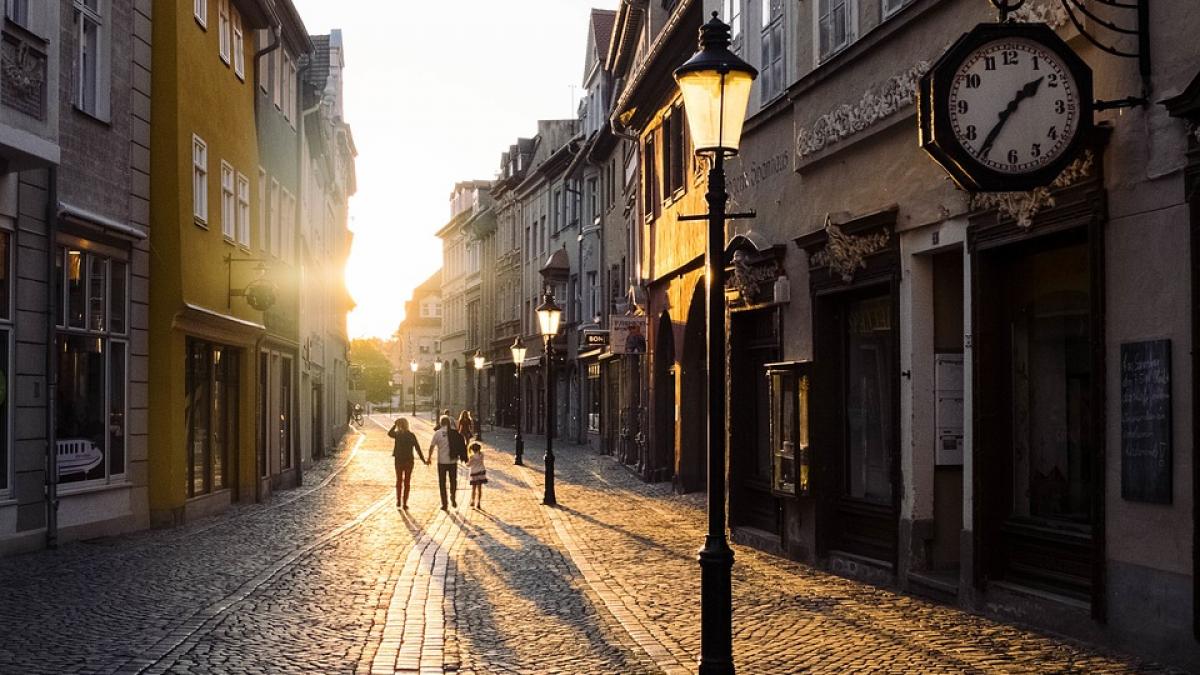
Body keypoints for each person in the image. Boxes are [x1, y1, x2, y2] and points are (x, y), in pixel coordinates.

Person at [388, 418, 427, 510]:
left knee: (398, 480)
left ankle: (398, 500)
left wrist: (394, 425)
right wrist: (423, 460)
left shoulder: (397, 434)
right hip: (409, 461)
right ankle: (405, 503)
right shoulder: (411, 435)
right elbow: (417, 448)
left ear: (399, 425)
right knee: (407, 482)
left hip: (398, 460)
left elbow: (389, 433)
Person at [427, 415, 463, 510]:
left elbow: (432, 446)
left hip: (442, 462)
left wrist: (429, 458)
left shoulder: (437, 433)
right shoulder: (454, 433)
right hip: (452, 461)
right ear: (448, 423)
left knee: (442, 483)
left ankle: (444, 504)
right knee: (453, 481)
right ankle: (453, 496)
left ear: (440, 423)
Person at [467, 442, 487, 509]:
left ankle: (472, 501)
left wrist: (467, 462)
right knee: (479, 489)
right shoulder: (482, 455)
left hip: (474, 474)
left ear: (472, 450)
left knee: (473, 489)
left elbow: (468, 465)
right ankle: (478, 502)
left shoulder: (471, 457)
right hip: (481, 473)